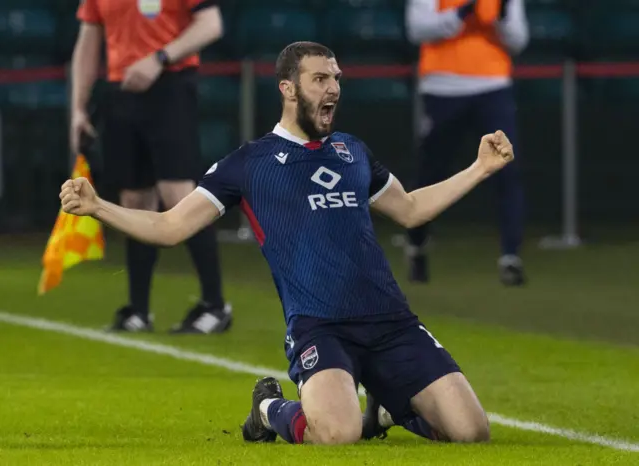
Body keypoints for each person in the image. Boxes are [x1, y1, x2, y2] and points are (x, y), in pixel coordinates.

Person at [60, 42, 515, 445]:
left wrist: (479, 169)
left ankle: (384, 405)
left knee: (472, 432)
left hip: (391, 322)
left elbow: (412, 208)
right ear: (288, 89)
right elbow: (170, 226)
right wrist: (100, 207)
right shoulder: (248, 164)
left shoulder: (352, 152)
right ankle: (268, 409)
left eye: (336, 78)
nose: (333, 88)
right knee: (337, 434)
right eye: (320, 78)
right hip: (321, 328)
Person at [70, 0, 231, 333]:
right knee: (133, 199)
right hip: (121, 89)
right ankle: (138, 311)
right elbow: (88, 39)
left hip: (170, 85)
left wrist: (160, 58)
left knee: (178, 194)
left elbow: (210, 24)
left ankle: (215, 305)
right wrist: (78, 108)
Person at [405, 0, 529, 286]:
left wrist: (500, 17)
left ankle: (511, 257)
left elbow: (518, 40)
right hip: (442, 86)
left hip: (493, 86)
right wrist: (464, 11)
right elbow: (417, 30)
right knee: (431, 173)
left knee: (507, 169)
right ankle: (417, 245)